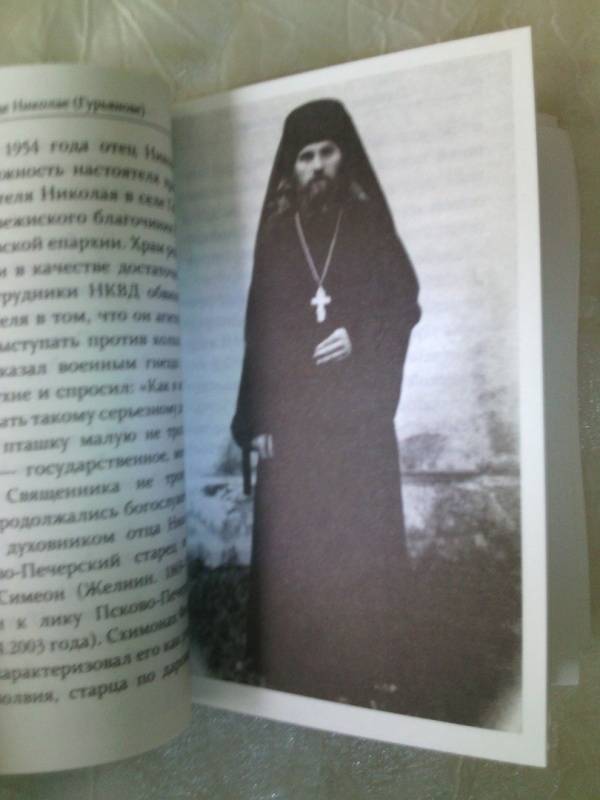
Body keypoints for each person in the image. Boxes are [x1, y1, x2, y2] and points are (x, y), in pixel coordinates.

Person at [231, 99, 421, 709]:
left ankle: (371, 665)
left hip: (355, 413)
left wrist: (359, 334)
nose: (316, 166)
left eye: (326, 152)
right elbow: (258, 330)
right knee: (299, 536)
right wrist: (256, 418)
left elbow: (405, 300)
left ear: (346, 157)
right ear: (291, 169)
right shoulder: (277, 236)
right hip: (293, 416)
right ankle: (301, 665)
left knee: (359, 531)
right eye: (305, 156)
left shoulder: (368, 227)